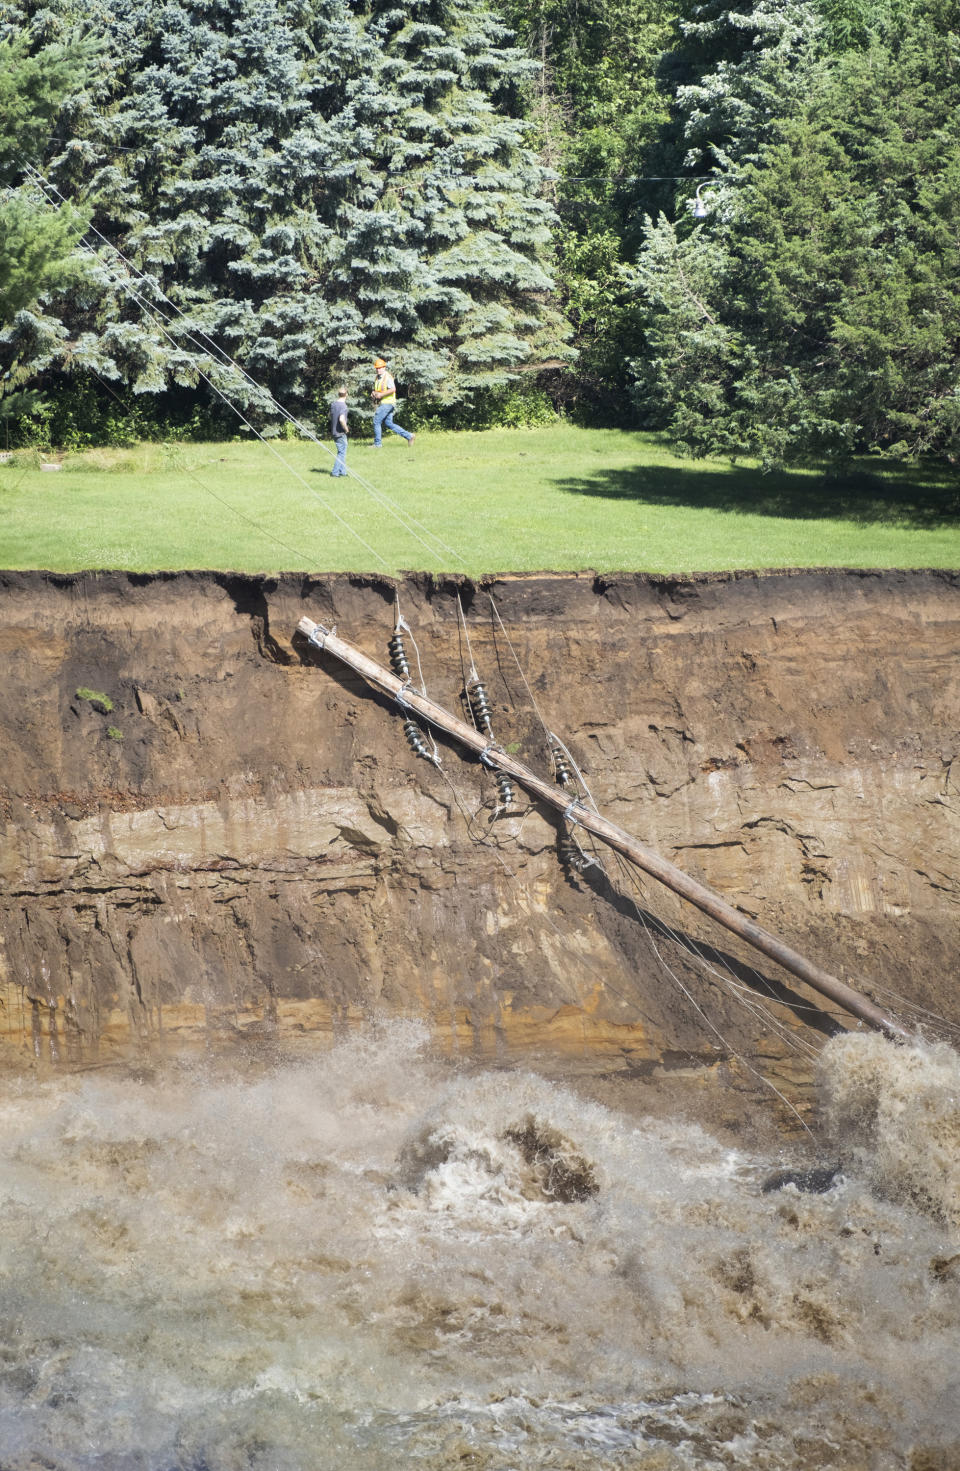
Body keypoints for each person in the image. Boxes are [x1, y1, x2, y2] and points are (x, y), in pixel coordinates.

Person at [371, 357, 415, 447]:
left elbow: (393, 389)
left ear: (384, 367)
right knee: (389, 423)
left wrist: (381, 395)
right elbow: (379, 389)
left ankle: (377, 444)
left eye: (380, 368)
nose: (378, 370)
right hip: (386, 403)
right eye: (377, 368)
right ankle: (409, 436)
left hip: (387, 403)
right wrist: (374, 393)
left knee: (376, 421)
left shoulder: (387, 377)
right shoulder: (378, 377)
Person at [330, 387, 348, 476]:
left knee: (342, 451)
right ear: (346, 395)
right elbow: (341, 419)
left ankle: (343, 472)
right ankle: (335, 472)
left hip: (334, 432)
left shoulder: (333, 404)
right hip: (340, 433)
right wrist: (346, 429)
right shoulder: (343, 406)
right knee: (341, 453)